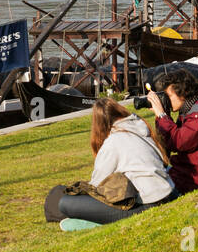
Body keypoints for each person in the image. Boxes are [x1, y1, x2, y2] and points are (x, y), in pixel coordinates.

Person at [44, 98, 178, 228]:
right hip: (169, 193)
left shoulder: (113, 141)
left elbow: (96, 184)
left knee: (65, 204)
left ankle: (88, 223)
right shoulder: (141, 128)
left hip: (148, 204)